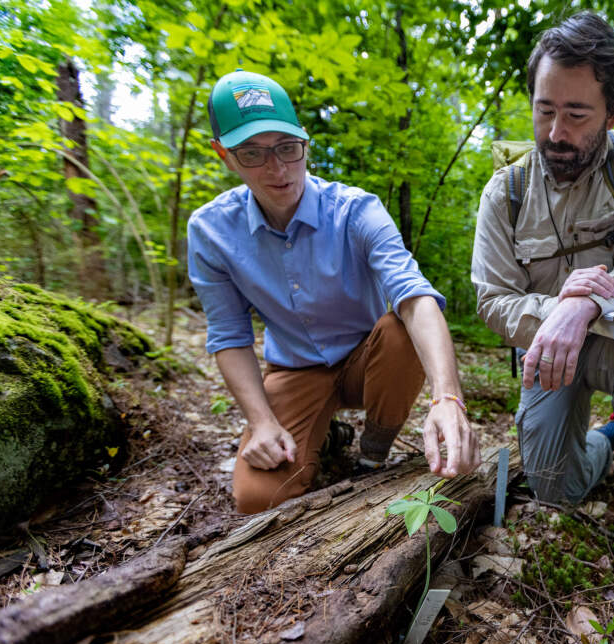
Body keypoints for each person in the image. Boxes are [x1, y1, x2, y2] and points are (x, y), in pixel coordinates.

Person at [471, 13, 614, 624]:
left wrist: (584, 303)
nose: (555, 131)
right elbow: (492, 300)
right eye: (544, 110)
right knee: (554, 488)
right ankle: (611, 440)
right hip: (544, 353)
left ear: (611, 114)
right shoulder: (505, 192)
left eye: (577, 115)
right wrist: (555, 314)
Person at [188, 69, 480, 515]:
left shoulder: (356, 211)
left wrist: (448, 397)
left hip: (369, 360)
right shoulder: (212, 231)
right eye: (253, 153)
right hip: (295, 369)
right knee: (257, 497)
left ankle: (373, 452)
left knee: (399, 330)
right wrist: (261, 421)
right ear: (224, 155)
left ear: (305, 142)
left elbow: (415, 296)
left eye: (288, 148)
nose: (279, 168)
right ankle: (325, 434)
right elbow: (229, 335)